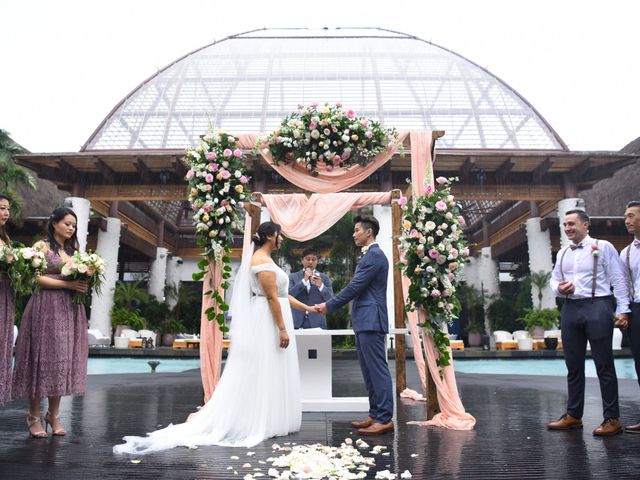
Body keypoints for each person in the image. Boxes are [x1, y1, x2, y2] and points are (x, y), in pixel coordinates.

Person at [114, 221, 311, 454]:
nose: (282, 239)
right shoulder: (261, 262)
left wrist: (310, 308)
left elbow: (283, 295)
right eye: (280, 235)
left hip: (273, 317)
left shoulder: (266, 260)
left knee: (270, 365)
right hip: (268, 321)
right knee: (263, 366)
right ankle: (259, 419)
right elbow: (271, 299)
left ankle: (270, 416)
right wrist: (282, 329)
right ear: (270, 236)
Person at [547, 209, 630, 436]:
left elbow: (617, 279)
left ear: (586, 225)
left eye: (572, 224)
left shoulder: (603, 247)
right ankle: (573, 415)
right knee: (573, 366)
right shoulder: (563, 252)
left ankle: (612, 418)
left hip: (598, 305)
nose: (567, 228)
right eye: (564, 225)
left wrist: (623, 310)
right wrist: (559, 288)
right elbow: (554, 280)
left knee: (604, 364)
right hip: (570, 308)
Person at [12, 207, 89, 438]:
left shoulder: (74, 251)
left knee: (62, 361)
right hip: (45, 307)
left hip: (70, 310)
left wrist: (85, 281)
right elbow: (33, 278)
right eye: (67, 223)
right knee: (41, 359)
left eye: (73, 225)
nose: (71, 228)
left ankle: (53, 415)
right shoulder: (41, 246)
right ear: (53, 223)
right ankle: (33, 415)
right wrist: (67, 285)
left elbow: (80, 277)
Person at [316, 215, 394, 436]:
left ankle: (385, 418)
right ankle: (375, 413)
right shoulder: (370, 256)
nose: (354, 234)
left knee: (377, 370)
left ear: (369, 232)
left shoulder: (375, 256)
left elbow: (354, 287)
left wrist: (328, 305)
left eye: (357, 230)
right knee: (368, 371)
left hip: (371, 320)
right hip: (364, 320)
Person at [619, 201, 640, 433]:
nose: (627, 220)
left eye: (631, 215)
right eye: (625, 216)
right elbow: (624, 287)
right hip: (637, 310)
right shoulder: (626, 253)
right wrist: (623, 312)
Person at [289, 247, 333, 329]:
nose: (310, 262)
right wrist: (304, 281)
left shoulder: (325, 278)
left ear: (317, 261)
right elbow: (288, 297)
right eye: (308, 259)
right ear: (302, 260)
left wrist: (321, 286)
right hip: (296, 322)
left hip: (318, 323)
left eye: (314, 259)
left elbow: (331, 300)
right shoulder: (293, 277)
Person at [0, 193, 14, 407]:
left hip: (4, 294)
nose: (6, 213)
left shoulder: (5, 239)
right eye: (2, 208)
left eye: (7, 209)